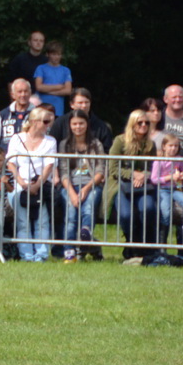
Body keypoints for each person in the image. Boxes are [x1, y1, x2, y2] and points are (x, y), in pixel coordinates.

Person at [6, 103, 57, 262]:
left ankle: (41, 255)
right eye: (45, 121)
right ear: (34, 122)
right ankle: (26, 255)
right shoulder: (17, 138)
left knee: (42, 222)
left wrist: (36, 185)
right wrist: (22, 183)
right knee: (23, 222)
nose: (48, 125)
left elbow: (49, 166)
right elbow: (10, 162)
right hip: (20, 185)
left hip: (41, 186)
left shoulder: (50, 141)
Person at [109, 110, 160, 259]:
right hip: (121, 185)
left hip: (144, 186)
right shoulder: (120, 141)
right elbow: (113, 168)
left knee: (148, 208)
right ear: (132, 124)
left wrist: (144, 175)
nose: (144, 125)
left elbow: (153, 167)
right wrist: (133, 174)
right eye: (140, 122)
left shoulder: (150, 144)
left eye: (146, 123)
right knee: (126, 215)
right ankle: (132, 243)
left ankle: (147, 247)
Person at [58, 111, 107, 261]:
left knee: (88, 209)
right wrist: (72, 193)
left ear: (87, 124)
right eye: (74, 124)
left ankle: (85, 234)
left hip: (91, 185)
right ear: (70, 125)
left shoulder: (96, 144)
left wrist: (86, 188)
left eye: (81, 123)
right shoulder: (65, 144)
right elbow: (63, 172)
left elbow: (100, 171)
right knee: (71, 215)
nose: (78, 127)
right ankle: (69, 251)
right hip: (70, 185)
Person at [31, 41, 72, 113]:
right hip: (41, 107)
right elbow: (39, 87)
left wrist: (48, 91)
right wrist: (59, 87)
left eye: (58, 54)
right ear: (48, 54)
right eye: (54, 54)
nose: (56, 57)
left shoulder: (65, 70)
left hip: (58, 109)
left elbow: (68, 90)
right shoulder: (41, 68)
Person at [0, 78, 34, 147]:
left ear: (30, 93)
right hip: (5, 153)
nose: (23, 95)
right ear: (13, 94)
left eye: (26, 91)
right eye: (19, 92)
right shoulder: (2, 114)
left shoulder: (37, 114)